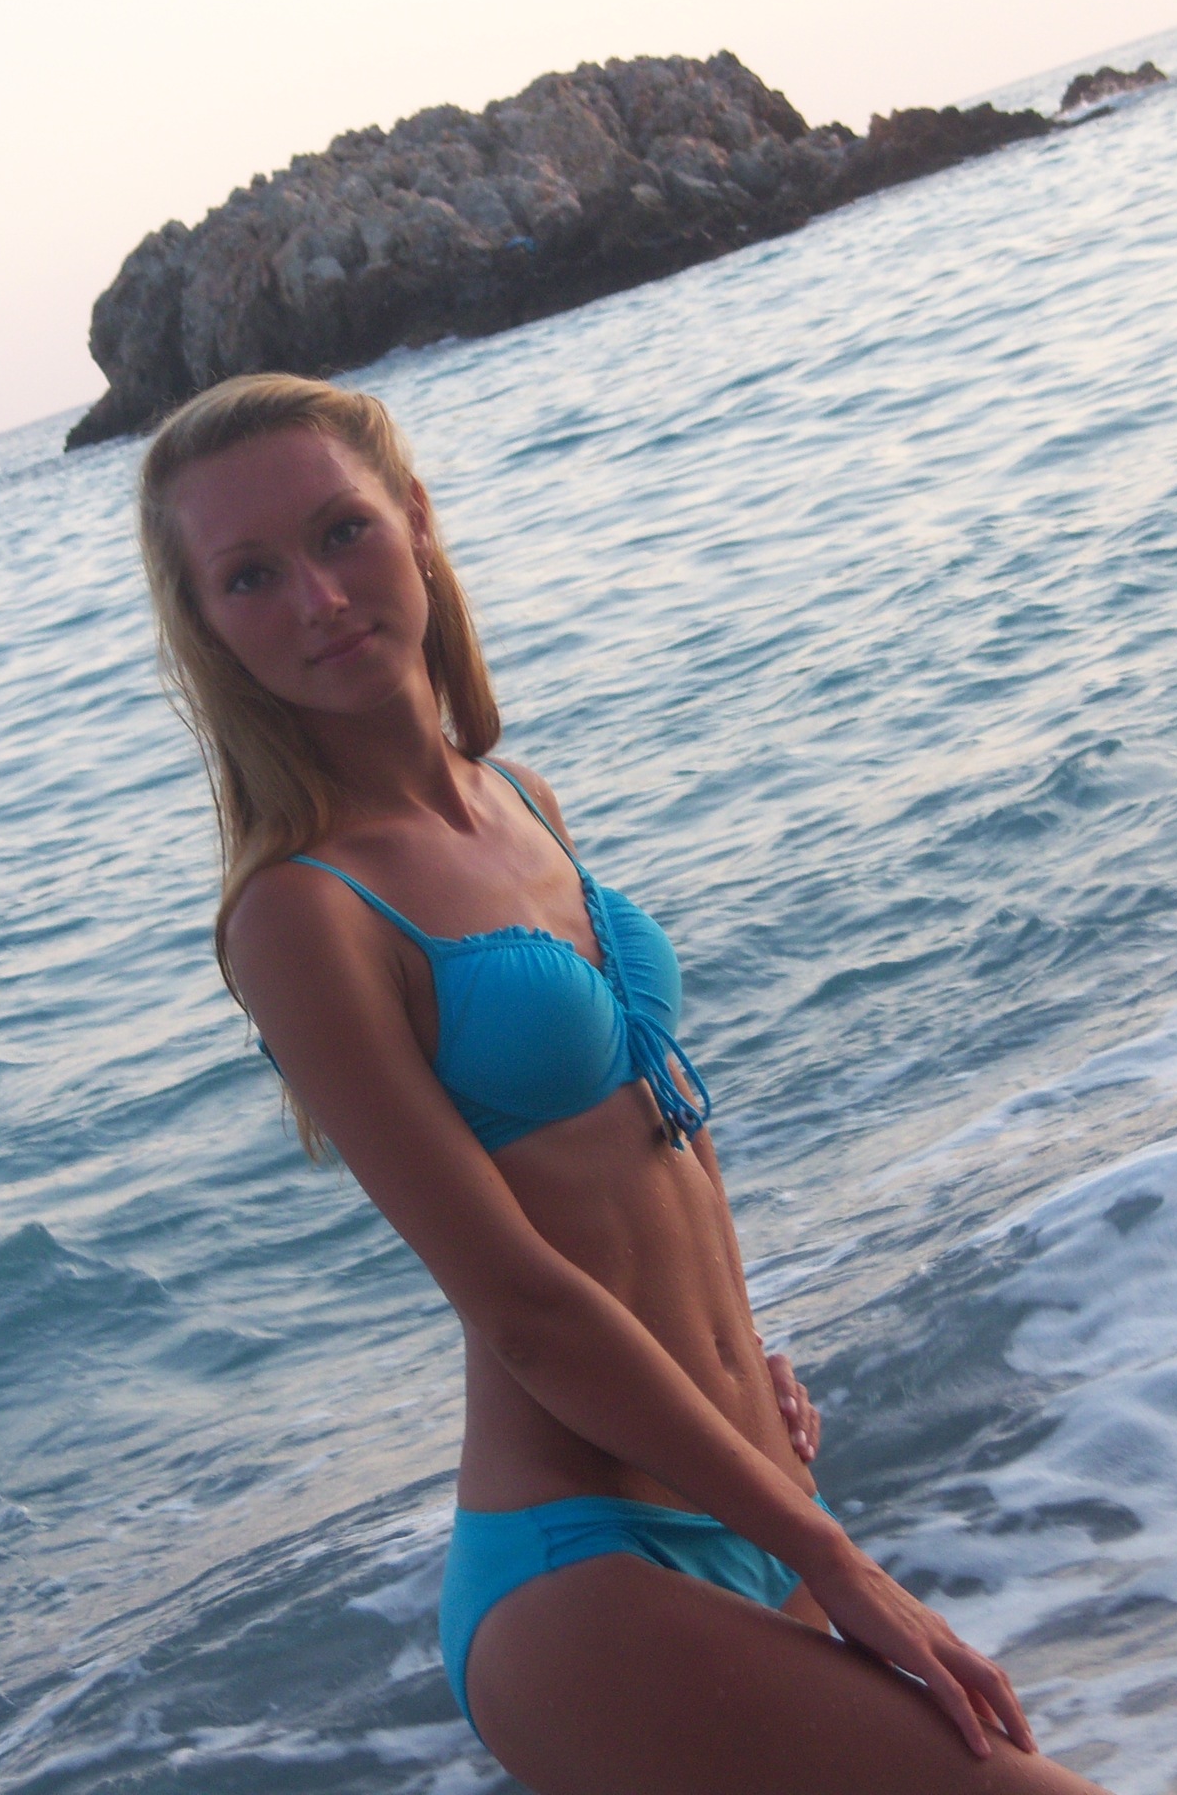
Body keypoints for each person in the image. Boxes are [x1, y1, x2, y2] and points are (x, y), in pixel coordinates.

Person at [136, 373, 1113, 1795]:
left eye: (342, 532)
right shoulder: (303, 914)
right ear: (210, 626)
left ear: (416, 521)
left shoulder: (517, 799)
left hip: (746, 1495)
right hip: (584, 1571)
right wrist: (834, 1560)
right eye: (251, 575)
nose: (319, 597)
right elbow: (522, 1304)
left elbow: (658, 1129)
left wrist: (739, 1355)